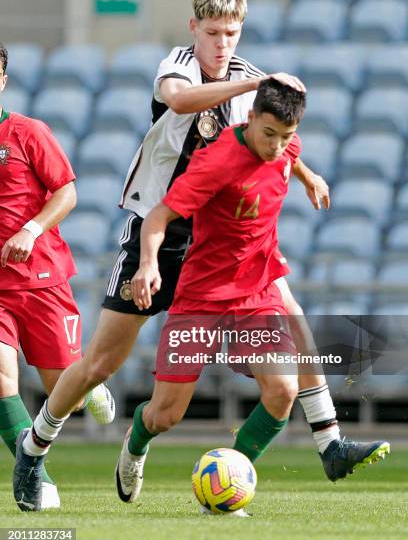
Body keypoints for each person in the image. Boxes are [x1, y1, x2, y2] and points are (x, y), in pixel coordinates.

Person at [13, 0, 388, 511]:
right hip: (159, 229)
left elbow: (274, 134)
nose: (222, 44)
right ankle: (34, 449)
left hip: (219, 240)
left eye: (232, 34)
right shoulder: (182, 66)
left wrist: (305, 173)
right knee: (99, 363)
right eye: (212, 32)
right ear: (195, 29)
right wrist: (246, 88)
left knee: (290, 309)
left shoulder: (250, 84)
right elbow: (180, 100)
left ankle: (328, 441)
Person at [112, 79, 389, 514]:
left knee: (281, 390)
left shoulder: (283, 147)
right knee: (166, 414)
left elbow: (289, 157)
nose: (278, 146)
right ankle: (136, 441)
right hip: (201, 297)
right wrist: (148, 265)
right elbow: (160, 216)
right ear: (252, 118)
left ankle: (224, 492)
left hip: (256, 294)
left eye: (288, 136)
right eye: (270, 135)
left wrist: (309, 176)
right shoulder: (216, 161)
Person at [0, 42, 115, 511]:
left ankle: (88, 384)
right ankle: (37, 480)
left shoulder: (27, 132)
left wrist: (30, 228)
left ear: (2, 79)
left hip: (41, 279)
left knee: (61, 387)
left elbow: (66, 191)